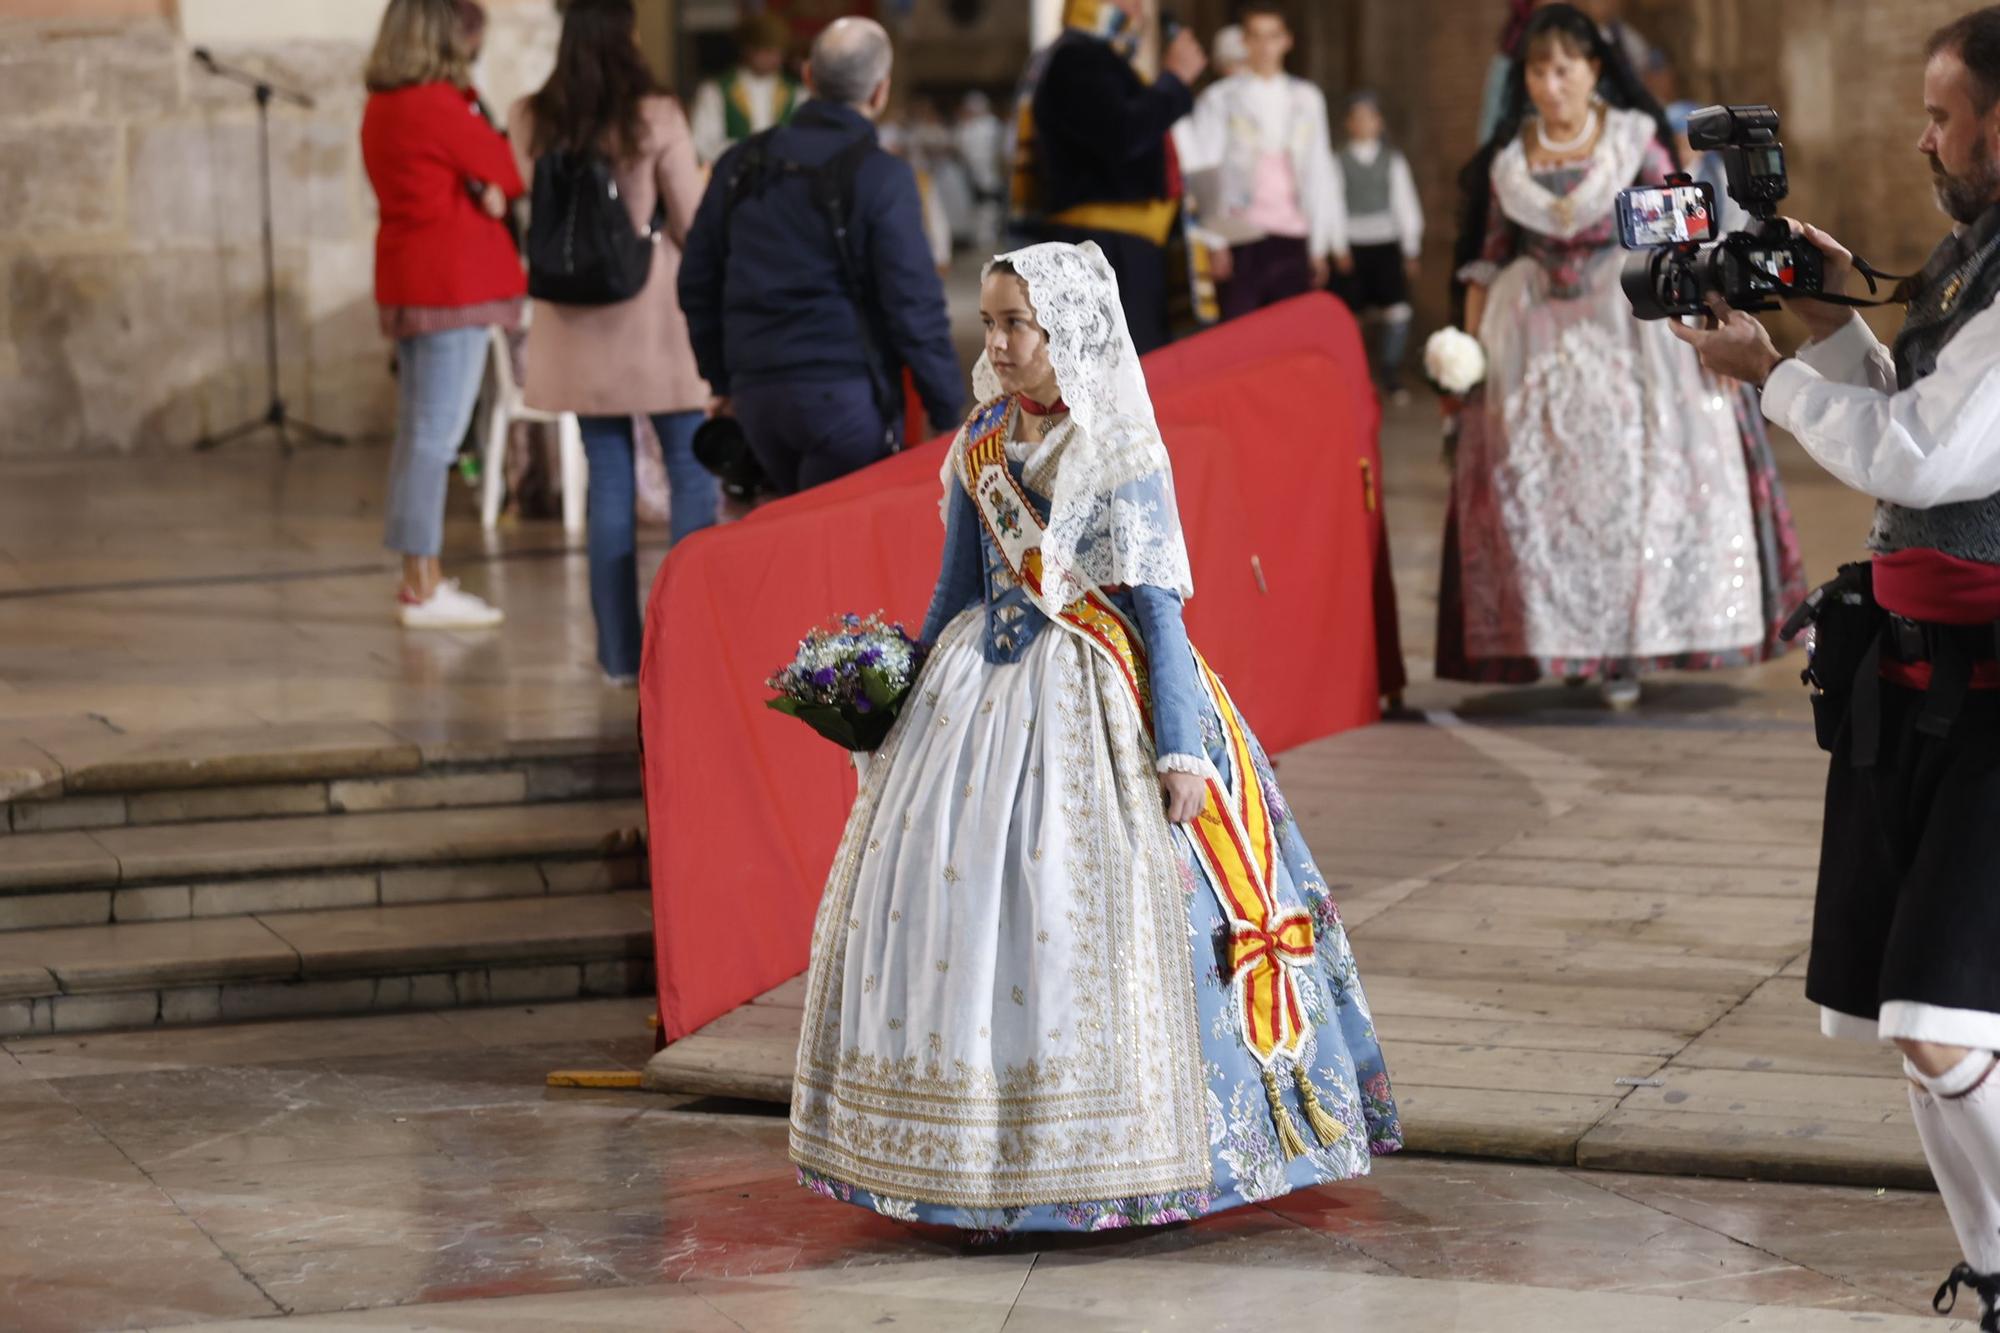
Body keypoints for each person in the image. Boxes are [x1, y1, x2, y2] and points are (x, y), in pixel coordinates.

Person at [789, 241, 1401, 1232]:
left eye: (1013, 323)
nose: (995, 340)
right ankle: (967, 1161)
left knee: (1082, 923)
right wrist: (888, 695)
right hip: (975, 700)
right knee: (961, 924)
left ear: (1063, 328)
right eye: (987, 321)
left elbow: (1157, 615)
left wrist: (1178, 751)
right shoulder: (982, 437)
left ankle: (1099, 1163)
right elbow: (953, 592)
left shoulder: (1116, 446)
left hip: (1095, 697)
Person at [1668, 12, 2000, 1328]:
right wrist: (1813, 311)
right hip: (1921, 684)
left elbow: (1926, 454)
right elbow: (1906, 393)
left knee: (1942, 1023)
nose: (1922, 134)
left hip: (1993, 693)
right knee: (1922, 1033)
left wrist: (1768, 379)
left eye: (1941, 110)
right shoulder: (1971, 258)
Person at [1441, 4, 1804, 708]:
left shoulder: (1635, 139)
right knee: (1547, 490)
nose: (1551, 84)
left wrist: (1710, 324)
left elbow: (1684, 234)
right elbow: (1484, 262)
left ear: (1595, 70)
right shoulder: (1509, 159)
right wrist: (1462, 359)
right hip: (1534, 336)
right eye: (1539, 71)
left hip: (1629, 323)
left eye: (1564, 69)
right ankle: (1566, 642)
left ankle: (1629, 648)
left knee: (1638, 485)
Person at [508, 0, 718, 687]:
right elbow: (690, 218)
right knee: (690, 471)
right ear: (626, 34)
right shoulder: (654, 114)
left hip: (574, 322)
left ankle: (619, 658)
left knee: (608, 476)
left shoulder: (532, 115)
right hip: (651, 318)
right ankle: (687, 641)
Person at [679, 18, 962, 497]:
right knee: (840, 555)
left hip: (757, 396)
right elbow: (912, 301)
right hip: (845, 398)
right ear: (880, 92)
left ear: (808, 77)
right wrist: (946, 406)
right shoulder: (882, 176)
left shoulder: (739, 164)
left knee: (786, 545)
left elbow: (696, 280)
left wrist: (722, 378)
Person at [361, 0, 521, 630]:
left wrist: (478, 184)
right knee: (437, 437)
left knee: (418, 435)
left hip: (411, 276)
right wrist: (486, 185)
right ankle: (423, 587)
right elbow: (508, 167)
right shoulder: (436, 102)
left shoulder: (385, 104)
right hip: (451, 284)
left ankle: (417, 578)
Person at [1015, 0, 1207, 354]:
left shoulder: (1100, 58)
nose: (1138, 9)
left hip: (1120, 249)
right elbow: (1122, 135)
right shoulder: (1076, 58)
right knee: (1114, 381)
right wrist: (1174, 81)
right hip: (1103, 250)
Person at [1177, 3, 1346, 321]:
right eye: (1256, 36)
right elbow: (1204, 168)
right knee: (1239, 338)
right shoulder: (1221, 98)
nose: (1265, 46)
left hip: (1293, 233)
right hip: (1241, 234)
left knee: (1288, 337)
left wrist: (1320, 245)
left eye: (1273, 36)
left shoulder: (1307, 98)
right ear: (1244, 41)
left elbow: (1319, 169)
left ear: (1287, 41)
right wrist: (1214, 242)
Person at [1332, 91, 1424, 402]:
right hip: (1353, 245)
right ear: (1348, 124)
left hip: (1386, 243)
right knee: (1351, 313)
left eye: (1369, 117)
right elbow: (1331, 204)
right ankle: (1355, 375)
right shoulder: (1339, 161)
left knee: (1397, 311)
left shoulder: (1392, 161)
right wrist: (1337, 244)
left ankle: (1390, 371)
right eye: (1357, 118)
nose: (1364, 124)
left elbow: (1405, 203)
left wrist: (1410, 248)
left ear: (1379, 123)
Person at [689, 13, 802, 167]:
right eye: (767, 50)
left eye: (778, 52)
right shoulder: (715, 91)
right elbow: (701, 144)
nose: (774, 58)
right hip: (733, 180)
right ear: (748, 49)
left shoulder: (796, 93)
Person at [954, 91, 1006, 249]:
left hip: (990, 171)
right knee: (975, 205)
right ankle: (978, 237)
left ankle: (988, 237)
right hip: (970, 171)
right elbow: (960, 147)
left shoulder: (994, 124)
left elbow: (1001, 149)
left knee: (990, 204)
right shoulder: (966, 126)